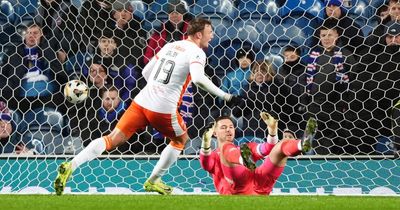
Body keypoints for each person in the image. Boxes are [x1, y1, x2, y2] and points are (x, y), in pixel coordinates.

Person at [54, 18, 245, 195]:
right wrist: (226, 96)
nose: (212, 36)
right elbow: (197, 78)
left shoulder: (170, 45)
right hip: (163, 107)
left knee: (111, 139)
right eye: (209, 32)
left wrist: (157, 87)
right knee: (181, 140)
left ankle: (72, 165)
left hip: (141, 100)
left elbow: (146, 72)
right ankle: (153, 180)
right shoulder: (197, 52)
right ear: (198, 35)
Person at [199, 112, 317, 195]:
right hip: (236, 191)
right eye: (223, 127)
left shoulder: (246, 147)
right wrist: (205, 141)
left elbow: (267, 149)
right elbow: (206, 164)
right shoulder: (214, 155)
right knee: (225, 148)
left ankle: (302, 144)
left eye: (231, 127)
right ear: (214, 133)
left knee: (283, 144)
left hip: (258, 183)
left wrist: (272, 130)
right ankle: (242, 160)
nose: (229, 130)